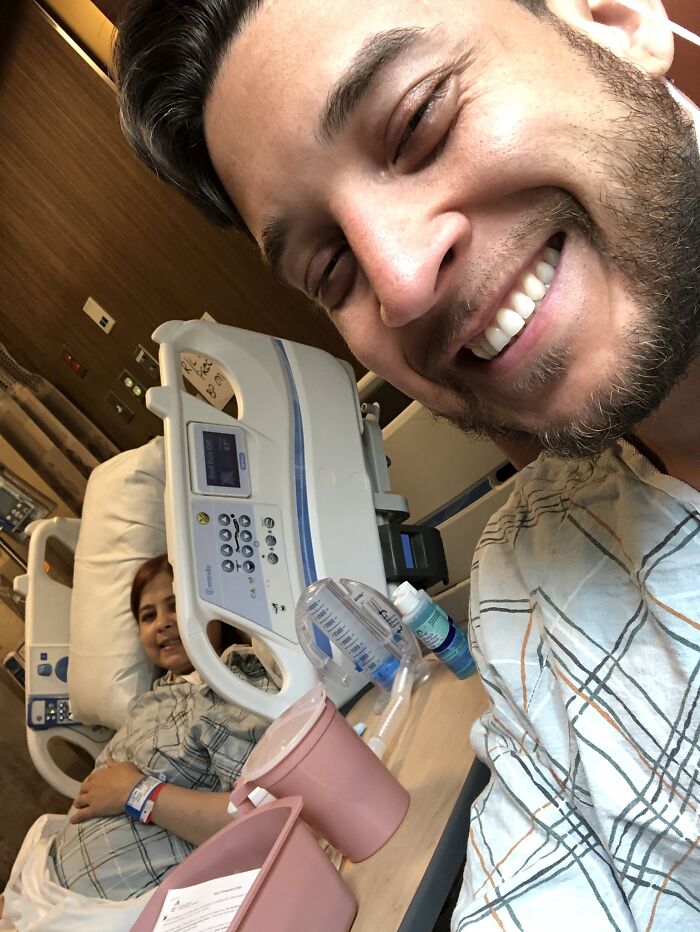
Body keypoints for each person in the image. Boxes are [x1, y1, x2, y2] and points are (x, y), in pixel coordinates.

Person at [113, 1, 700, 928]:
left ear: (613, 18)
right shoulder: (530, 582)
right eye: (331, 270)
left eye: (421, 120)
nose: (397, 281)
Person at [5, 554, 274, 915]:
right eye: (148, 616)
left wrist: (138, 793)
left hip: (100, 913)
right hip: (40, 886)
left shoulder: (231, 684)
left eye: (174, 606)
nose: (162, 623)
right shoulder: (152, 698)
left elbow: (259, 817)